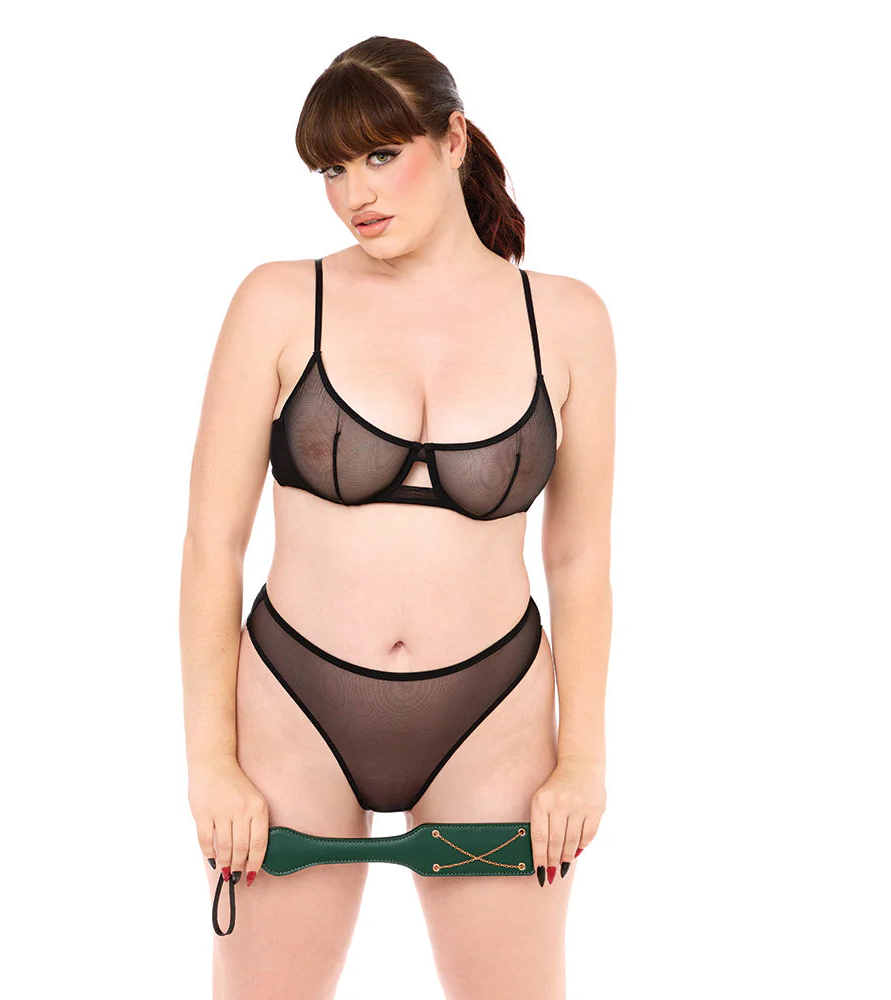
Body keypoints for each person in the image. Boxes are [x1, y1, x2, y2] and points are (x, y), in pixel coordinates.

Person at [179, 34, 615, 999]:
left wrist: (582, 758)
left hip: (493, 710)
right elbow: (212, 544)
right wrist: (210, 761)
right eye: (332, 170)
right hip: (295, 701)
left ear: (453, 139)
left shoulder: (568, 318)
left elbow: (580, 559)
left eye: (381, 155)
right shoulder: (280, 300)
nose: (355, 194)